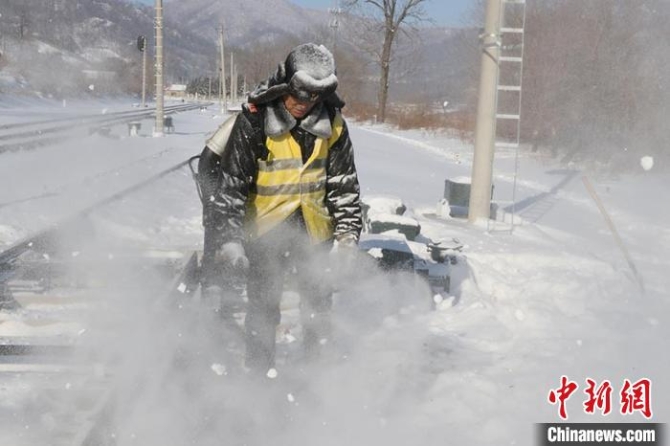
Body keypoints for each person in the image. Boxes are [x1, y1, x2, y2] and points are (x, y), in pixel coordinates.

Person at [200, 43, 362, 375]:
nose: (304, 105)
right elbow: (232, 185)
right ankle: (259, 374)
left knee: (318, 307)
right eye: (298, 96)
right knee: (262, 307)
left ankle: (315, 373)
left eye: (313, 98)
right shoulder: (254, 122)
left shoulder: (333, 124)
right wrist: (229, 239)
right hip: (265, 231)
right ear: (284, 85)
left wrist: (347, 236)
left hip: (315, 231)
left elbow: (344, 183)